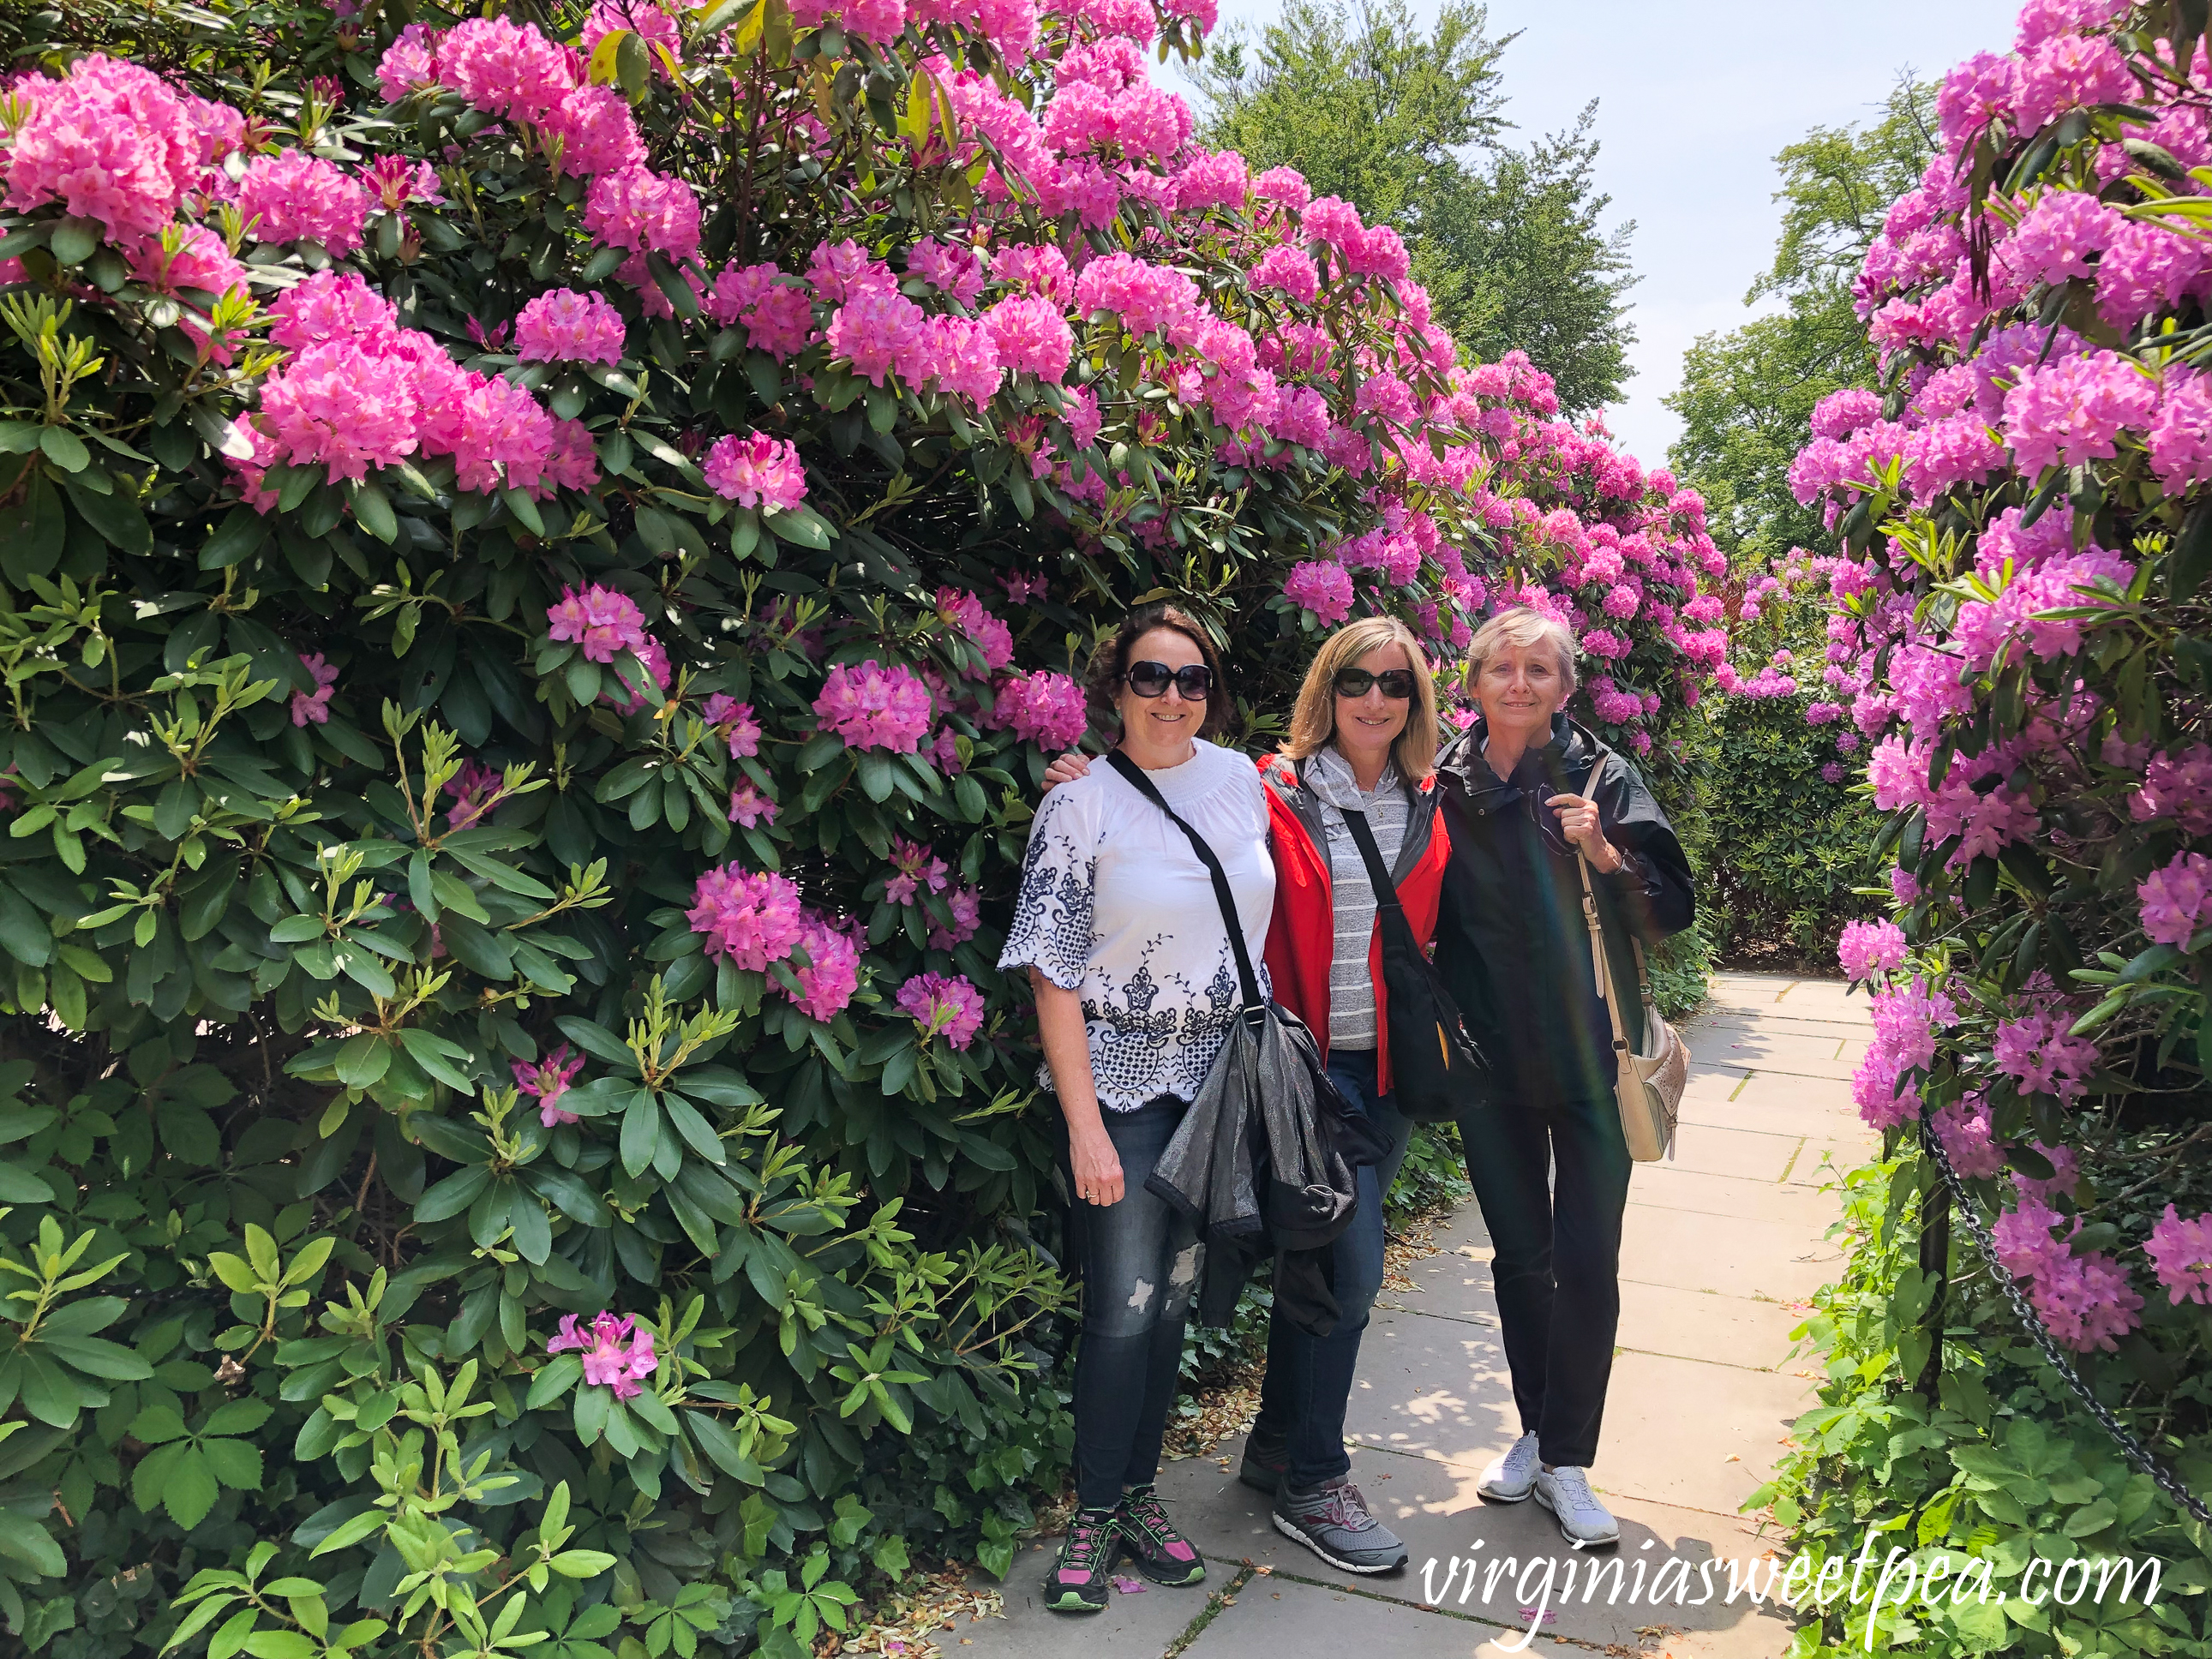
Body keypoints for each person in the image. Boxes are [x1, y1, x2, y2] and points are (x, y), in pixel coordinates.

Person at [1040, 615, 1452, 1576]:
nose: (1376, 698)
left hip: (1261, 1081)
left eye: (1396, 683)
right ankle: (1274, 1482)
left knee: (1203, 1294)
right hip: (1191, 1076)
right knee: (1147, 1303)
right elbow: (1055, 962)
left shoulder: (1282, 785)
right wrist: (1079, 781)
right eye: (1149, 674)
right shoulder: (1266, 787)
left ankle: (1240, 1463)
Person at [999, 602, 1273, 1614]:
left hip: (1220, 1093)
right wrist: (1082, 1127)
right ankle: (1094, 1509)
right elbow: (1050, 975)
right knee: (1118, 1310)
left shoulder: (1242, 780)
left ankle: (1140, 1496)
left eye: (1191, 678)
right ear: (1115, 688)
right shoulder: (1080, 805)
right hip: (1119, 1093)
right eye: (1150, 677)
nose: (1172, 696)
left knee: (1172, 1308)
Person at [1430, 608, 1694, 1548]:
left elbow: (1671, 914)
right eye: (1500, 667)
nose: (1517, 684)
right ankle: (1539, 1431)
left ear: (1565, 686)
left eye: (1537, 669)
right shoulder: (1441, 781)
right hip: (1490, 1066)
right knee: (1520, 1259)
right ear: (1470, 680)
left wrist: (1603, 850)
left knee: (1585, 1261)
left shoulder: (1601, 777)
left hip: (1593, 1062)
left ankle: (1569, 1461)